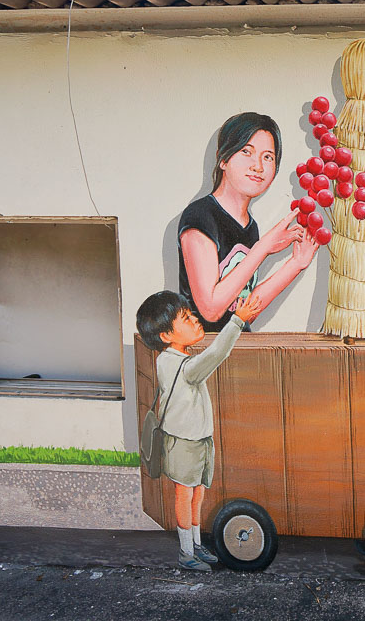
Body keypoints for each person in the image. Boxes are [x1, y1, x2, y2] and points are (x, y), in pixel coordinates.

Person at [136, 290, 263, 571]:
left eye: (191, 314)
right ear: (166, 336)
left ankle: (194, 545)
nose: (195, 320)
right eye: (185, 318)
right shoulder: (174, 363)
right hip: (183, 442)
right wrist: (236, 322)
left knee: (197, 494)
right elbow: (217, 354)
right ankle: (185, 552)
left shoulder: (179, 358)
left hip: (199, 439)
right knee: (185, 494)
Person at [179, 111, 312, 331]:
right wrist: (263, 248)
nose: (258, 166)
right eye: (246, 152)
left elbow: (243, 313)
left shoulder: (250, 227)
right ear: (223, 159)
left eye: (268, 157)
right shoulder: (200, 216)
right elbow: (211, 310)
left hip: (236, 348)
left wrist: (296, 264)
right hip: (203, 353)